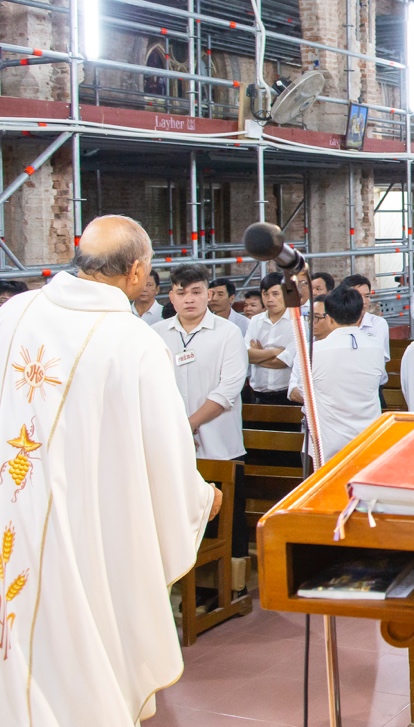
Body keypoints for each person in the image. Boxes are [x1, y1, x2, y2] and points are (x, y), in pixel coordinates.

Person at [0, 215, 220, 726]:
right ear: (138, 271)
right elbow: (166, 450)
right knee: (87, 638)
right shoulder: (134, 341)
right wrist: (199, 498)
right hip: (89, 527)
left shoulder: (13, 313)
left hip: (13, 507)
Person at [152, 263, 248, 565]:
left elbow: (228, 388)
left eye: (196, 292)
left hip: (219, 441)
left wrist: (188, 424)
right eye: (181, 293)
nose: (189, 299)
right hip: (171, 444)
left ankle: (233, 582)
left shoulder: (228, 333)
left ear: (208, 294)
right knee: (179, 518)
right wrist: (174, 427)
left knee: (227, 520)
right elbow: (151, 386)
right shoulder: (157, 334)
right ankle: (185, 579)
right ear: (171, 297)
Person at [288, 286, 385, 461]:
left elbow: (303, 392)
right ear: (359, 316)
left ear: (329, 318)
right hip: (367, 441)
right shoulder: (376, 347)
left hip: (328, 445)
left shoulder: (313, 351)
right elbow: (379, 380)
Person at [245, 272, 297, 405]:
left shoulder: (296, 323)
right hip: (257, 394)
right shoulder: (255, 321)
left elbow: (283, 362)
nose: (270, 299)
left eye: (275, 294)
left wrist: (258, 355)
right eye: (265, 294)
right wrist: (275, 352)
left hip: (285, 395)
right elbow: (246, 355)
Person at [340, 274, 392, 367]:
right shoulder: (336, 322)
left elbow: (376, 358)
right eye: (358, 296)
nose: (364, 302)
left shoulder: (378, 323)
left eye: (367, 296)